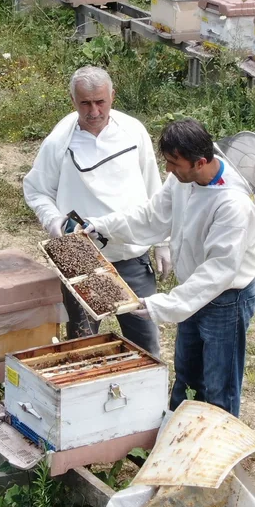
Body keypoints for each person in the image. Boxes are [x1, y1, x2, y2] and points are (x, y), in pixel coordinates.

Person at [83, 118, 255, 417]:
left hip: (225, 301)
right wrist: (101, 224)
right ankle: (177, 439)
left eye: (173, 163)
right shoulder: (183, 179)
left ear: (200, 162)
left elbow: (218, 272)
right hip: (191, 292)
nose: (167, 169)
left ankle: (216, 453)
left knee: (220, 387)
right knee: (186, 377)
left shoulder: (233, 204)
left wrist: (163, 305)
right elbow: (151, 217)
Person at [23, 66, 168, 357]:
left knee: (146, 348)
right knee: (82, 347)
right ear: (72, 101)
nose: (93, 111)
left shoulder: (133, 131)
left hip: (131, 254)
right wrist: (55, 222)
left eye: (100, 101)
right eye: (85, 103)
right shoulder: (59, 141)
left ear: (112, 96)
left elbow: (155, 188)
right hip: (81, 256)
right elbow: (36, 189)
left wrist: (164, 240)